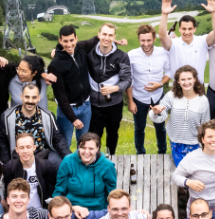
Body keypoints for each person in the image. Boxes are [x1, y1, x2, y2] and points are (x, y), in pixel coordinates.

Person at [84, 23, 132, 153]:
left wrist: (115, 88)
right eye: (104, 34)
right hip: (94, 103)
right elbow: (72, 49)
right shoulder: (89, 53)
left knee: (112, 133)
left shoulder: (122, 56)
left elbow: (128, 80)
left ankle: (111, 157)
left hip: (114, 103)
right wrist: (57, 50)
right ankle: (94, 161)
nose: (107, 38)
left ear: (114, 37)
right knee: (94, 136)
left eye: (110, 35)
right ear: (98, 35)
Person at [153, 65, 213, 166]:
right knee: (182, 170)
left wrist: (205, 145)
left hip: (195, 144)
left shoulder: (203, 100)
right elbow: (160, 115)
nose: (186, 82)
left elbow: (206, 125)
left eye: (189, 79)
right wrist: (156, 112)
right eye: (183, 79)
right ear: (178, 81)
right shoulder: (171, 96)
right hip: (176, 143)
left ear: (194, 79)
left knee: (195, 171)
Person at [127, 23, 171, 153]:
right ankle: (140, 153)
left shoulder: (162, 53)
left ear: (154, 39)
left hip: (158, 97)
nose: (146, 44)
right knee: (139, 128)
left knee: (160, 127)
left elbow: (169, 71)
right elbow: (129, 79)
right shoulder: (131, 55)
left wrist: (161, 83)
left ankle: (162, 152)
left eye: (148, 40)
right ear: (139, 40)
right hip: (139, 98)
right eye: (143, 40)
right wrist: (130, 101)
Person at [47, 25, 94, 146]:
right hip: (67, 111)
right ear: (60, 41)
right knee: (64, 144)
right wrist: (73, 118)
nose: (69, 44)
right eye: (65, 41)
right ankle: (65, 165)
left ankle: (81, 165)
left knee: (84, 144)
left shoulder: (82, 49)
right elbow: (60, 96)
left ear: (76, 39)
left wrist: (115, 40)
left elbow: (97, 39)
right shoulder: (55, 65)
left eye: (71, 40)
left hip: (86, 106)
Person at [0, 83, 69, 162]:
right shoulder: (7, 116)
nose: (30, 101)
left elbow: (58, 139)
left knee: (60, 165)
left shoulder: (48, 116)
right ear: (21, 97)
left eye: (34, 97)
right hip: (19, 156)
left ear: (39, 98)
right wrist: (7, 163)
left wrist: (70, 158)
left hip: (43, 154)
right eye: (27, 97)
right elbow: (2, 142)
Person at [52, 133, 117, 210]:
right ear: (79, 147)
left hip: (97, 209)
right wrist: (56, 207)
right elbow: (59, 189)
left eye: (91, 149)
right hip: (72, 208)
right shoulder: (68, 161)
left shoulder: (107, 166)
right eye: (83, 148)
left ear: (97, 148)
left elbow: (111, 194)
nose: (86, 152)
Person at [158, 0, 209, 93]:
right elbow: (162, 36)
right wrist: (164, 14)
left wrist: (213, 12)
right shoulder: (173, 43)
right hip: (178, 88)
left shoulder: (201, 41)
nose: (186, 32)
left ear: (194, 29)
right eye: (184, 29)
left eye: (190, 29)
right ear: (179, 29)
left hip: (198, 87)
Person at [4, 133, 59, 209]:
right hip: (20, 212)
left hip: (41, 211)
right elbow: (8, 192)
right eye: (21, 147)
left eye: (28, 147)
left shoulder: (46, 166)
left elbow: (52, 190)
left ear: (34, 148)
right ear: (16, 150)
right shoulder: (10, 167)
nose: (25, 151)